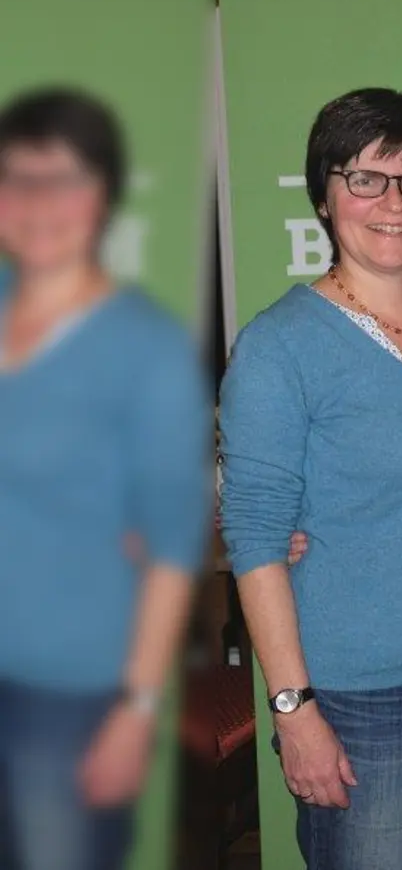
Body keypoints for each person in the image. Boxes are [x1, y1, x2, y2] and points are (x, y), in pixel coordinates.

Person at [219, 88, 402, 870]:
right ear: (324, 196)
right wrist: (293, 711)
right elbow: (253, 539)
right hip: (358, 697)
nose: (394, 202)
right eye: (365, 178)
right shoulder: (278, 348)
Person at [0, 87, 211, 870]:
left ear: (103, 198)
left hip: (68, 701)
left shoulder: (145, 349)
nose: (37, 202)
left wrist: (136, 709)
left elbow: (171, 545)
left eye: (65, 180)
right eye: (17, 177)